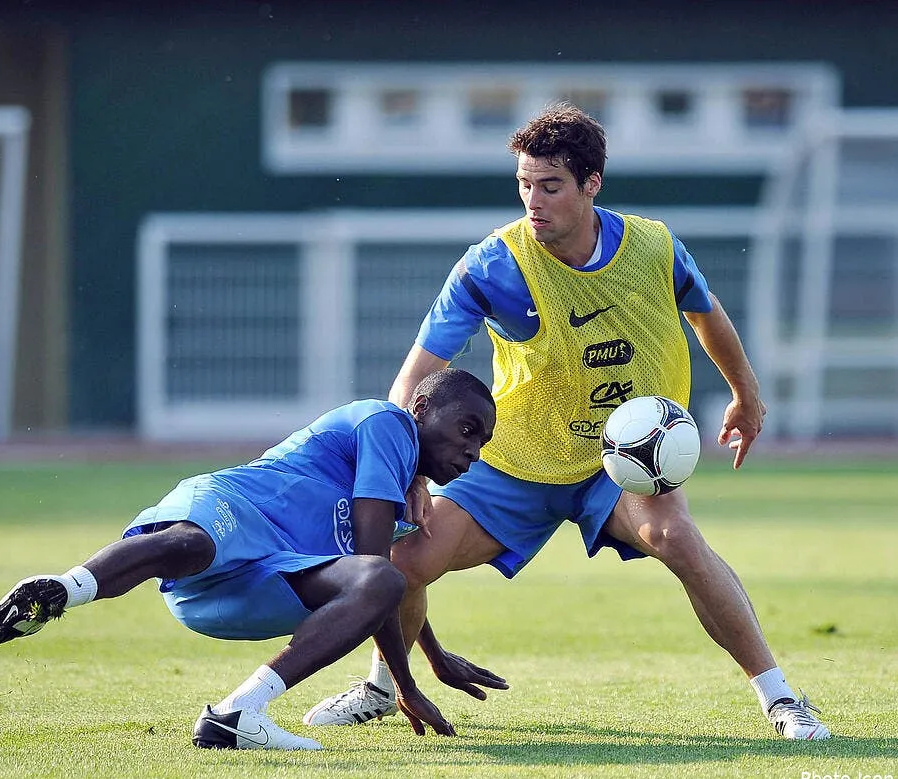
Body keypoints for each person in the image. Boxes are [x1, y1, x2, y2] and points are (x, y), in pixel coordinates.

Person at [304, 104, 831, 741]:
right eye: (524, 184)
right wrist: (407, 469)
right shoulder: (493, 266)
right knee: (406, 560)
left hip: (627, 456)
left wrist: (746, 395)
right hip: (518, 458)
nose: (534, 200)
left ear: (591, 184)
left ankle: (782, 698)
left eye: (550, 185)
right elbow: (414, 378)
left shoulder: (653, 247)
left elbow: (706, 312)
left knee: (676, 539)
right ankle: (382, 687)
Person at [0, 368, 496, 750]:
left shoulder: (402, 497)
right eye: (466, 429)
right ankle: (62, 589)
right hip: (239, 508)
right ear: (420, 409)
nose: (472, 452)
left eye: (482, 443)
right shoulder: (390, 423)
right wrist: (406, 683)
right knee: (192, 543)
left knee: (378, 580)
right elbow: (373, 558)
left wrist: (430, 656)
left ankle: (237, 714)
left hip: (257, 579)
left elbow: (380, 581)